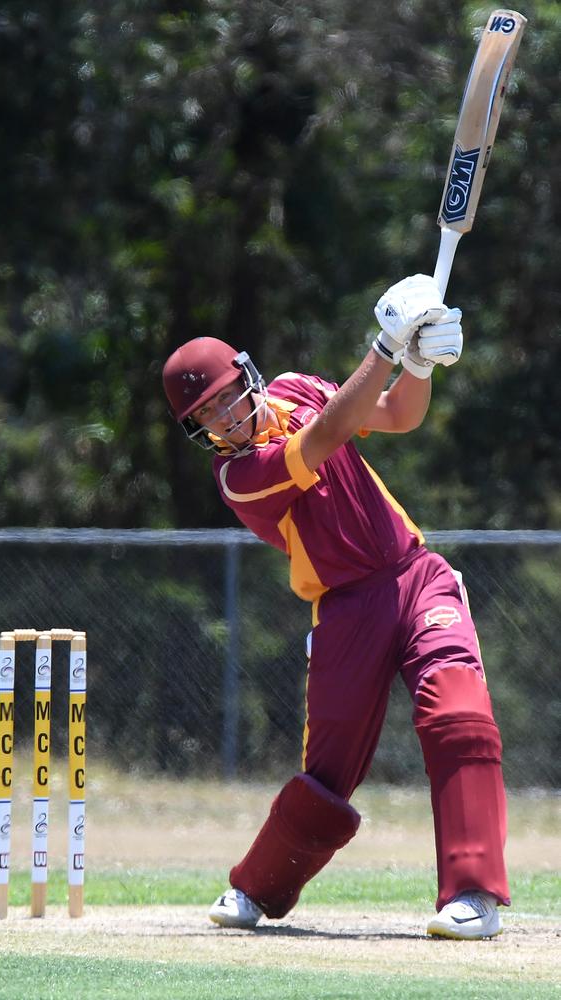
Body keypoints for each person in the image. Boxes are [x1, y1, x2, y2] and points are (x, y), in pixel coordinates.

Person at [162, 274, 510, 940]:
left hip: (417, 575)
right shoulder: (238, 477)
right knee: (327, 776)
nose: (225, 419)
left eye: (226, 399)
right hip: (346, 610)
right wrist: (386, 344)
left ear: (247, 376)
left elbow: (397, 414)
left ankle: (474, 895)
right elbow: (327, 437)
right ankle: (256, 889)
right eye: (206, 417)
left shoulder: (294, 387)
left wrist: (419, 363)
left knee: (461, 717)